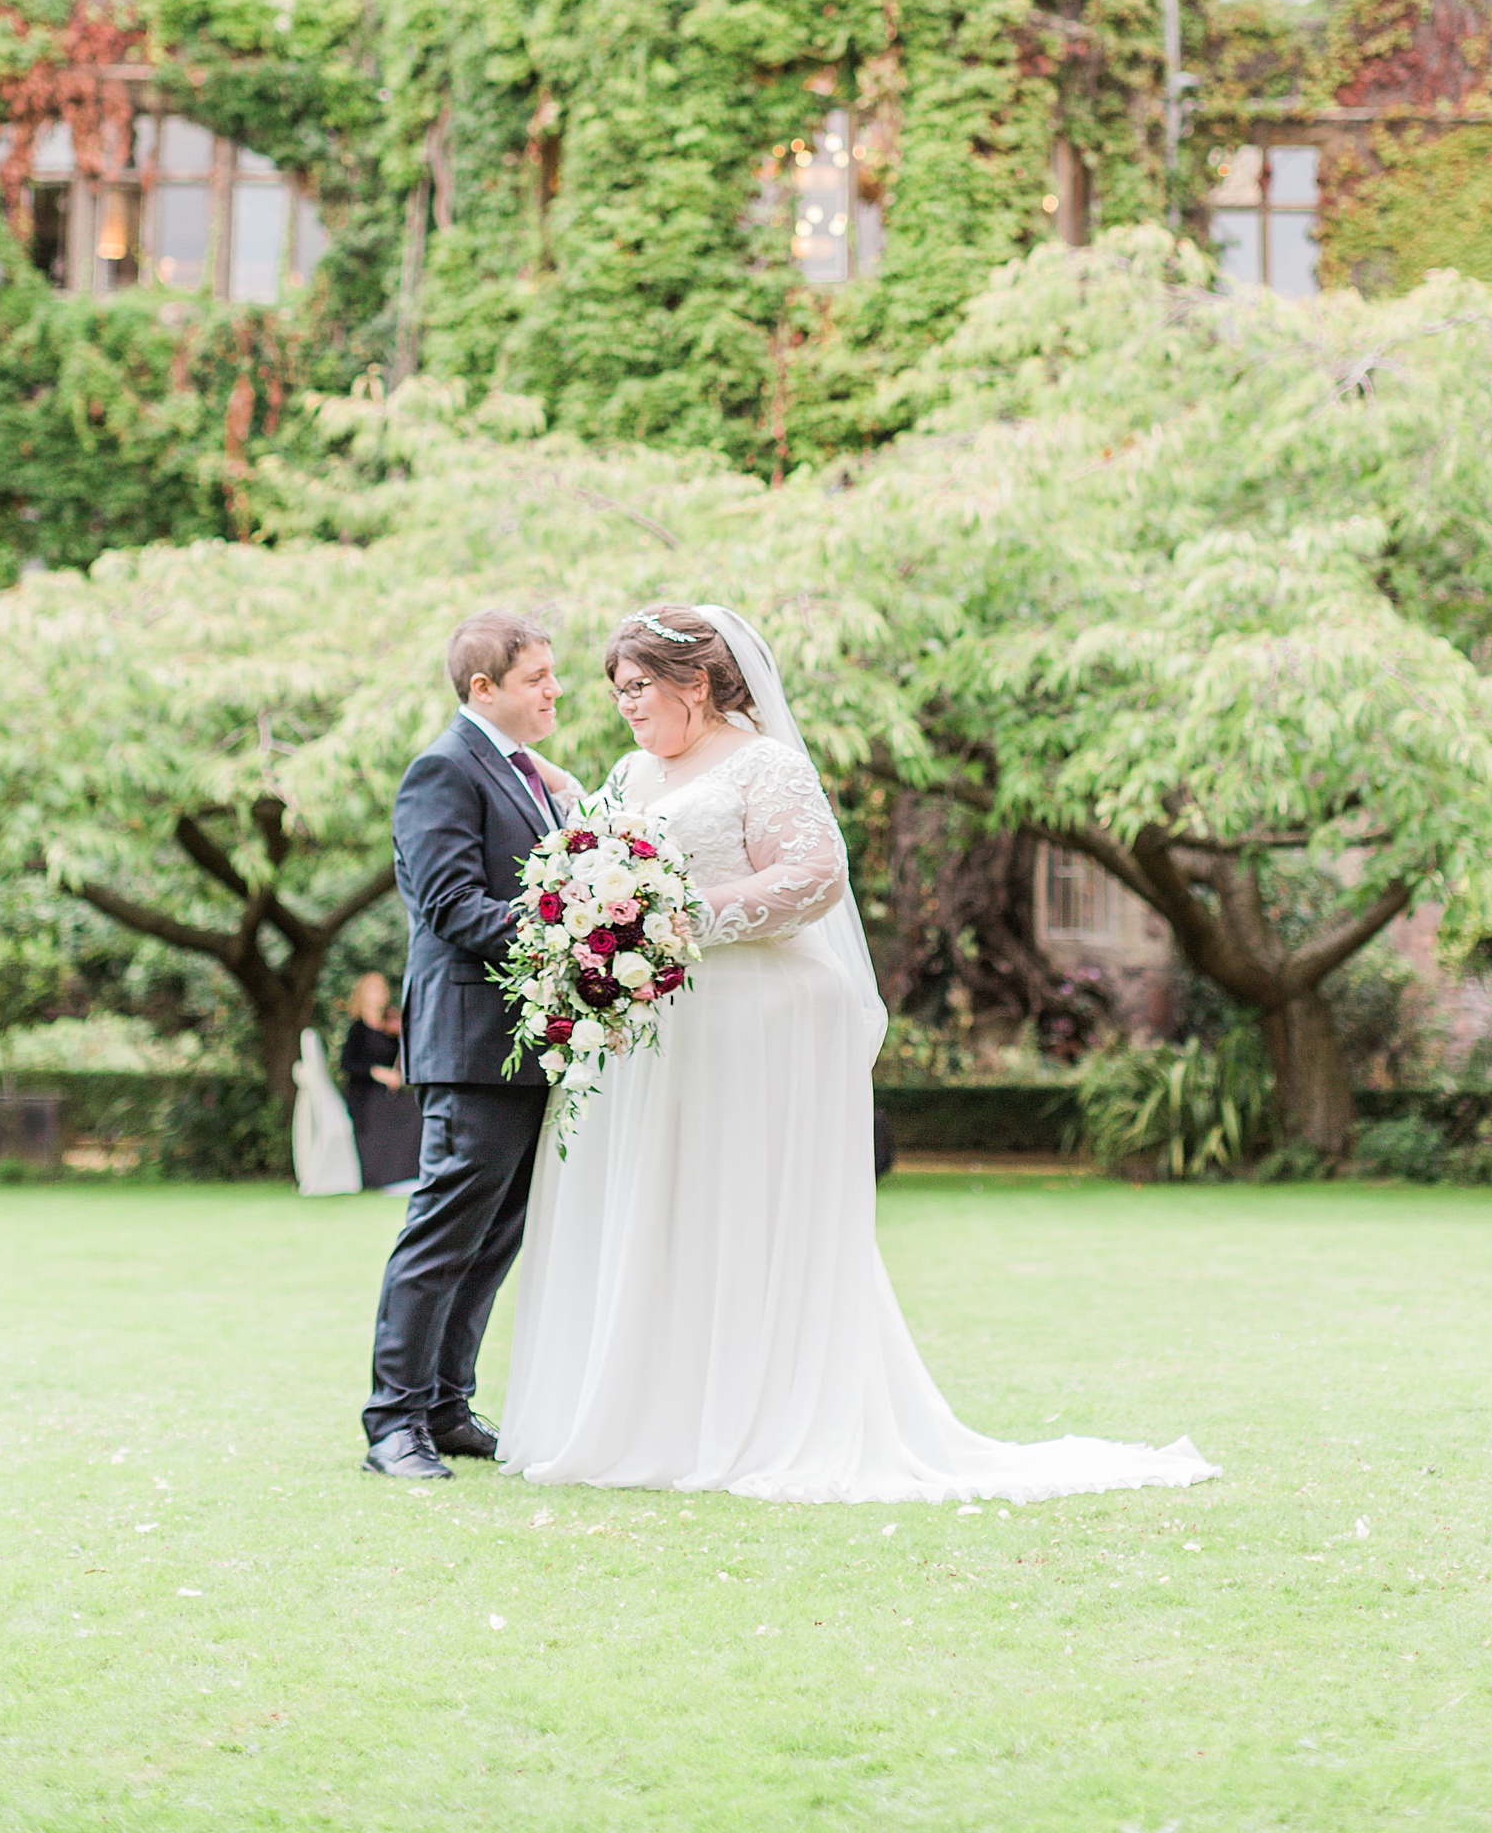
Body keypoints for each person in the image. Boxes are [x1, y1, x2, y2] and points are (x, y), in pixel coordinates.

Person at [497, 603, 1219, 1505]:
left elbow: (812, 876)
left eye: (639, 688)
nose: (626, 707)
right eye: (618, 692)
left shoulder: (765, 764)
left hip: (754, 1024)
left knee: (741, 1213)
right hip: (656, 1032)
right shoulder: (628, 772)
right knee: (663, 1208)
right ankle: (652, 1415)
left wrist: (686, 922)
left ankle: (749, 1417)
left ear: (698, 682)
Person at [361, 611, 576, 1483]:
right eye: (537, 678)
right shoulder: (443, 770)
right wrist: (573, 933)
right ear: (484, 688)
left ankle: (448, 1407)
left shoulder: (530, 778)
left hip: (528, 1042)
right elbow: (452, 909)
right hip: (470, 1040)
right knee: (444, 1232)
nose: (555, 690)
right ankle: (393, 1424)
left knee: (496, 1236)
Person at [341, 972, 421, 1194]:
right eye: (374, 988)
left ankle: (409, 1175)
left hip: (390, 1094)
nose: (380, 993)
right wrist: (376, 1072)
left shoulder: (391, 1026)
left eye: (382, 988)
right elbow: (347, 1064)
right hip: (366, 1096)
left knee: (417, 1108)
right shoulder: (358, 1028)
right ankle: (383, 1177)